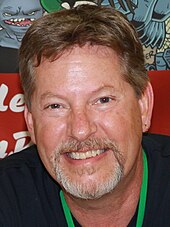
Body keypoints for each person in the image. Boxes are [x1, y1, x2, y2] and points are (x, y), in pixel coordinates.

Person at [0, 4, 170, 227]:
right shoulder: (7, 195)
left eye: (103, 100)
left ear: (143, 105)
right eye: (55, 106)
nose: (80, 130)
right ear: (30, 121)